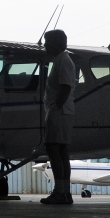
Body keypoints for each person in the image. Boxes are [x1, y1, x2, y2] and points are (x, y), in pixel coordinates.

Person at [41, 30, 77, 205]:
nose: (45, 45)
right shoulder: (63, 60)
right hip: (64, 111)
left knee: (53, 149)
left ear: (56, 43)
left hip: (59, 111)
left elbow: (65, 87)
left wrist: (54, 108)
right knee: (62, 152)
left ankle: (59, 192)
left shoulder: (62, 60)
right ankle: (65, 192)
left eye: (47, 42)